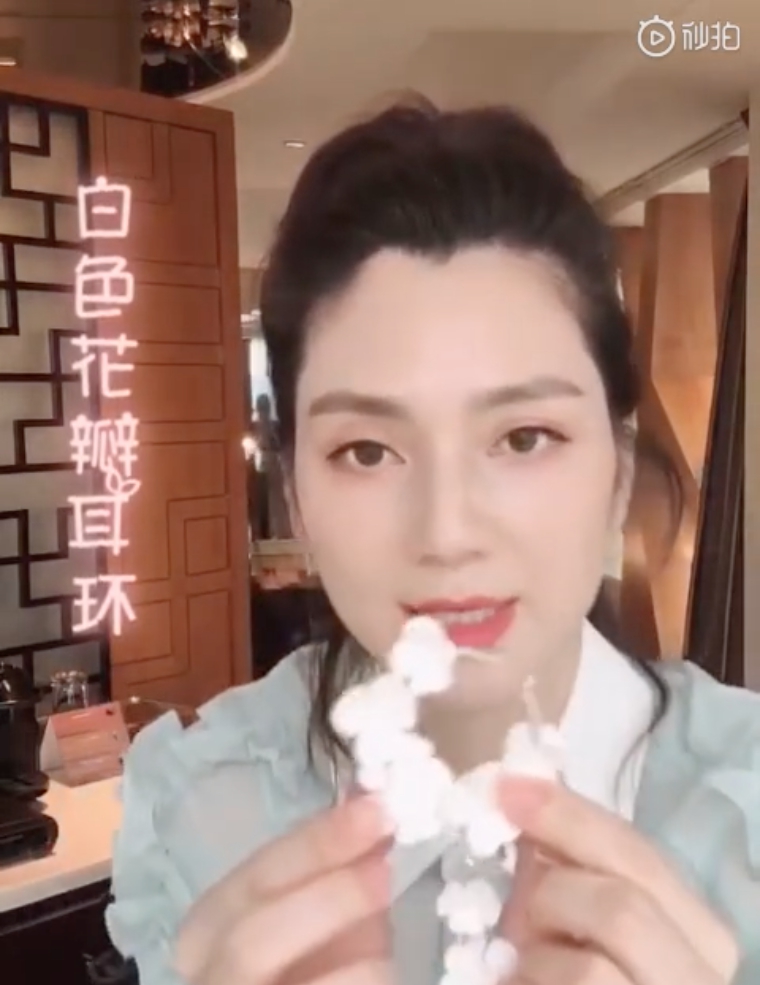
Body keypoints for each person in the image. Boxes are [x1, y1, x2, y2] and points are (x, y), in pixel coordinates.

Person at [106, 102, 759, 985]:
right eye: (367, 451)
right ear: (295, 495)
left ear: (617, 471)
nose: (448, 533)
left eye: (524, 437)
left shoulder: (746, 816)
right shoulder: (207, 804)